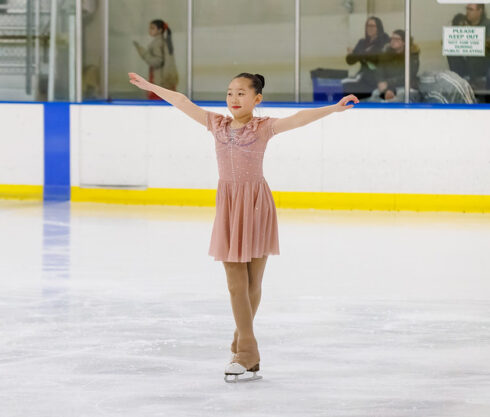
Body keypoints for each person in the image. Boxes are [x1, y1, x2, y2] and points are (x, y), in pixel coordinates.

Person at [128, 71, 359, 382]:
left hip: (256, 204)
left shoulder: (263, 128)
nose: (233, 99)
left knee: (252, 283)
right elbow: (182, 101)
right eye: (230, 93)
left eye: (241, 93)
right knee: (236, 282)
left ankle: (241, 340)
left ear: (256, 99)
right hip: (229, 207)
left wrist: (334, 108)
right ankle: (247, 350)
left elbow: (300, 118)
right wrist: (149, 86)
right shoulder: (217, 125)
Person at [342, 16, 390, 99]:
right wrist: (351, 54)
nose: (369, 28)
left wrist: (357, 54)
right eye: (368, 26)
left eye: (372, 26)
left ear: (378, 27)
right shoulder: (362, 42)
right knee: (344, 84)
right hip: (363, 76)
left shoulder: (384, 41)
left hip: (376, 78)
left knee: (346, 86)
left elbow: (374, 57)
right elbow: (350, 61)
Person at [447, 4, 490, 89]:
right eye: (467, 9)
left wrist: (474, 38)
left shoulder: (488, 24)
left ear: (480, 11)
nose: (467, 12)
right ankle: (458, 82)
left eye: (470, 9)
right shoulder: (462, 21)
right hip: (463, 63)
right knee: (451, 51)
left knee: (474, 51)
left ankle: (474, 83)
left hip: (482, 64)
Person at [370, 29, 420, 102]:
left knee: (395, 100)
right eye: (391, 39)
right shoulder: (385, 55)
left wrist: (388, 83)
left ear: (404, 42)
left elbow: (408, 76)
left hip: (406, 88)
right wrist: (385, 89)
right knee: (375, 95)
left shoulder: (412, 57)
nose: (392, 41)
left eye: (396, 39)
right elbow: (379, 73)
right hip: (387, 88)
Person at [133, 19, 179, 99]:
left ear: (160, 30)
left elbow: (158, 62)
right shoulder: (163, 42)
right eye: (150, 28)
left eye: (152, 28)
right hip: (163, 81)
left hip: (159, 82)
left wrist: (144, 53)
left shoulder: (158, 43)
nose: (150, 30)